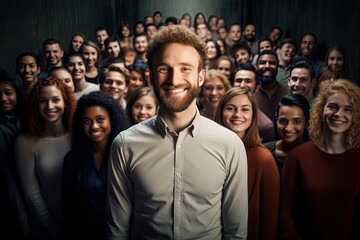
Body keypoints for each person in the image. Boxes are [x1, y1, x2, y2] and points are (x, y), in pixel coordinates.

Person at [106, 25, 248, 239]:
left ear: (201, 77)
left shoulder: (230, 144)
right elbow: (117, 230)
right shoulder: (125, 145)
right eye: (164, 68)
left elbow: (236, 231)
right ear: (151, 78)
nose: (174, 79)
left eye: (185, 68)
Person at [280, 79, 360, 239]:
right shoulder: (297, 156)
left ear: (356, 115)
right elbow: (285, 210)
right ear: (320, 109)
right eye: (332, 106)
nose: (339, 114)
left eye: (348, 109)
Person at [14, 77, 76, 239]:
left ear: (66, 102)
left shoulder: (78, 136)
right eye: (43, 101)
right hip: (44, 229)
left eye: (56, 100)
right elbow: (31, 193)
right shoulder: (25, 141)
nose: (50, 106)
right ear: (35, 104)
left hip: (78, 224)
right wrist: (52, 229)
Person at [62, 91, 129, 240]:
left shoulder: (127, 155)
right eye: (87, 121)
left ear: (112, 120)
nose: (94, 126)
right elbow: (69, 207)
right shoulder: (72, 160)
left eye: (100, 119)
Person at [215, 88, 280, 240]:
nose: (237, 115)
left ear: (253, 115)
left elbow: (269, 220)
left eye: (245, 109)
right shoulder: (210, 153)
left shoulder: (264, 159)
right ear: (221, 112)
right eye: (230, 108)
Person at [0, 70, 28, 238]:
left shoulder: (25, 119)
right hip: (14, 200)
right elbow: (6, 174)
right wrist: (21, 215)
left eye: (8, 93)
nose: (3, 99)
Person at [263, 93, 310, 179]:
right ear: (276, 121)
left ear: (306, 123)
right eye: (283, 121)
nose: (288, 128)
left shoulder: (314, 155)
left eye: (296, 121)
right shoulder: (263, 151)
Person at [233, 62, 275, 142]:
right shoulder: (223, 113)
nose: (242, 85)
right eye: (238, 80)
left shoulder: (265, 126)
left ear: (257, 88)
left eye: (248, 81)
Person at [253, 50, 289, 120]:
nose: (267, 66)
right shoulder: (252, 94)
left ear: (278, 66)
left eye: (272, 63)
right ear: (256, 66)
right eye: (262, 63)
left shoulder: (288, 93)